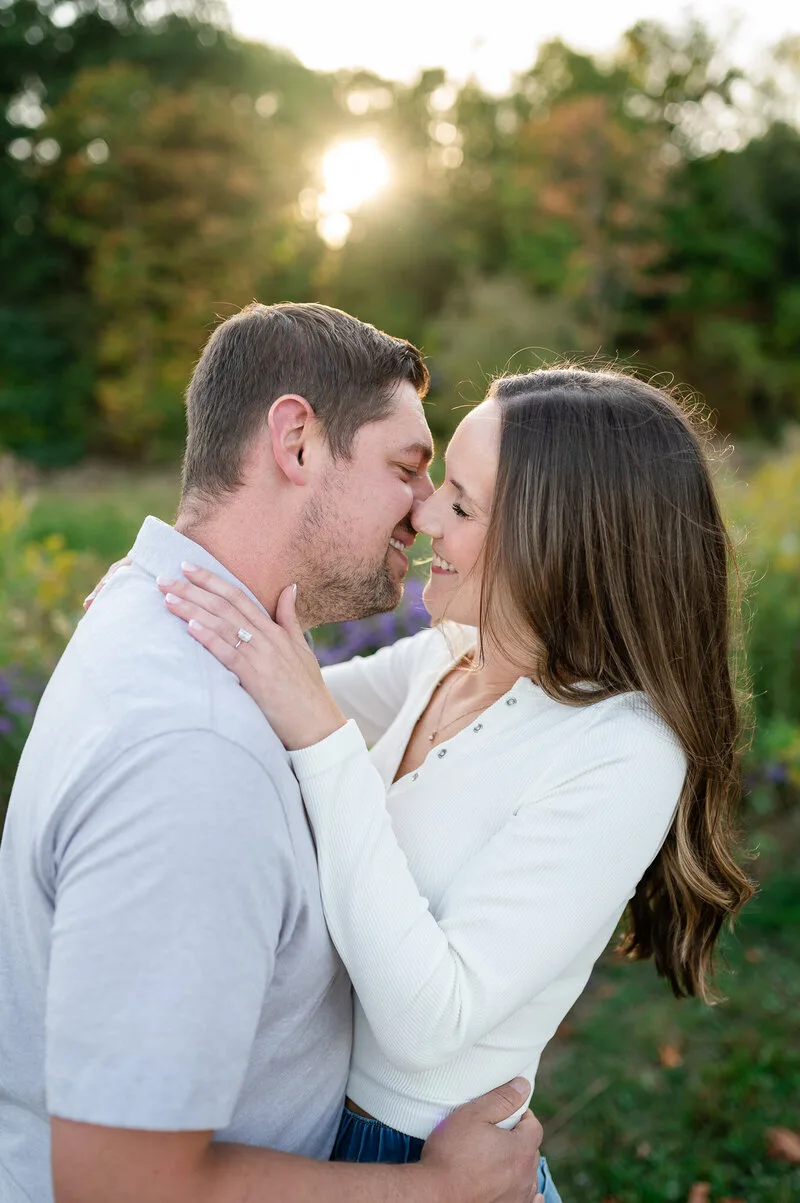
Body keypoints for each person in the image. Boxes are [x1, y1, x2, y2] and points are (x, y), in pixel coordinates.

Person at [147, 366, 754, 1195]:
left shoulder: (623, 750)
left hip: (421, 1158)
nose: (423, 514)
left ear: (559, 548)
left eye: (462, 507)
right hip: (309, 1126)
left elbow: (429, 1024)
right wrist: (160, 600)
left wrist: (322, 737)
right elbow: (265, 689)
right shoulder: (454, 655)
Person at [0, 303, 545, 1203]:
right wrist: (439, 1194)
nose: (426, 511)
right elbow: (119, 1185)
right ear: (296, 441)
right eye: (406, 469)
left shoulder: (166, 615)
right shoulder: (195, 760)